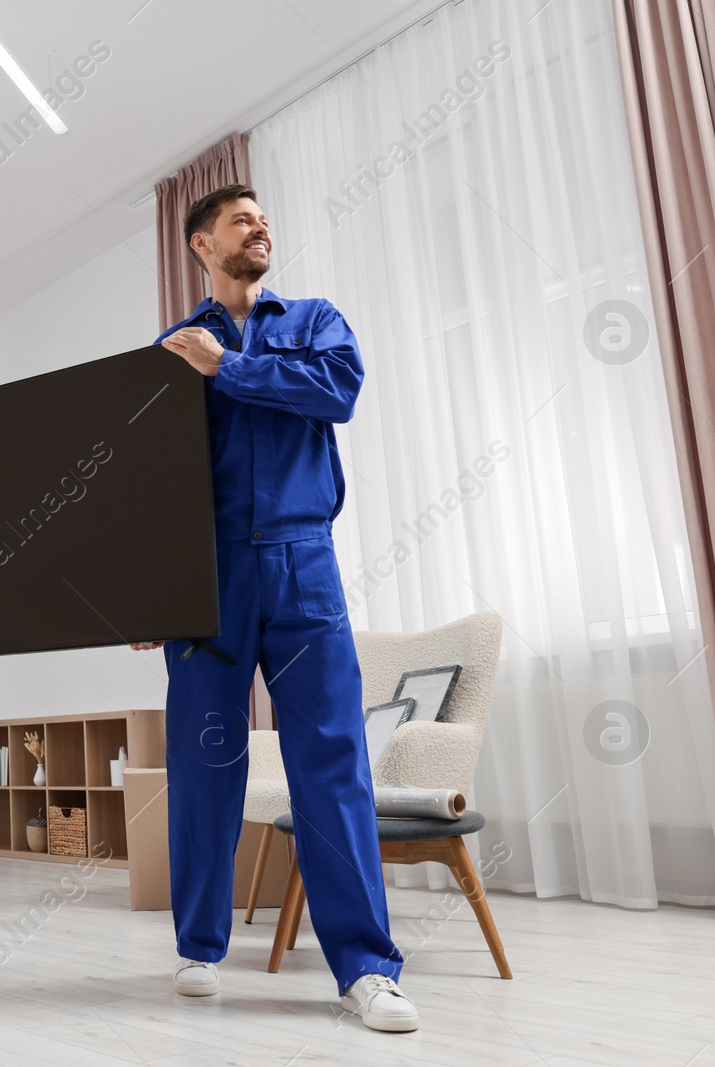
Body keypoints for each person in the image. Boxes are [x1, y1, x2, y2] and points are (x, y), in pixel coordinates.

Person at [134, 184, 418, 1032]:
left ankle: (365, 967)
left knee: (331, 761)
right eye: (239, 221)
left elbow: (337, 391)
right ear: (201, 244)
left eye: (263, 219)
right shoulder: (170, 346)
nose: (259, 228)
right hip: (207, 574)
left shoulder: (315, 319)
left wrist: (231, 369)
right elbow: (152, 475)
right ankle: (197, 945)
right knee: (203, 761)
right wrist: (154, 582)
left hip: (302, 562)